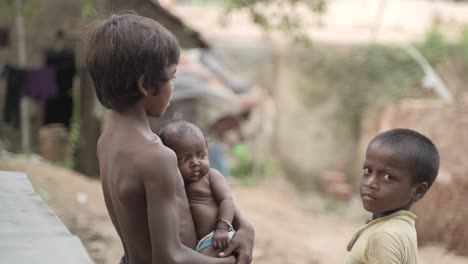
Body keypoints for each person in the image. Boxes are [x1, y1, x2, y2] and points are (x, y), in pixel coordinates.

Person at [85, 12, 254, 264]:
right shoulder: (156, 156)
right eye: (172, 77)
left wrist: (245, 227)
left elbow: (198, 189)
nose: (173, 86)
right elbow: (169, 257)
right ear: (146, 86)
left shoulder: (106, 141)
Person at [346, 128, 440, 264]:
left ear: (418, 191)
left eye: (388, 177)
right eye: (368, 170)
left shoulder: (384, 236)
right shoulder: (403, 227)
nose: (370, 183)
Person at [159, 119, 236, 256]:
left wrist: (222, 228)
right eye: (184, 159)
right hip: (195, 243)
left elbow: (227, 200)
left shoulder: (212, 176)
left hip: (215, 237)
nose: (195, 163)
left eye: (201, 156)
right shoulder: (174, 182)